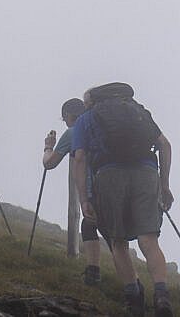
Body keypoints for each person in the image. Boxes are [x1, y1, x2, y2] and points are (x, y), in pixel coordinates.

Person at [73, 83, 173, 317]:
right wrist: (165, 184)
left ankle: (134, 301)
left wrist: (84, 199)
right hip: (146, 173)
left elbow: (80, 158)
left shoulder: (86, 119)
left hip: (108, 176)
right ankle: (161, 296)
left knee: (118, 242)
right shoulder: (137, 111)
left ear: (89, 102)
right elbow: (165, 145)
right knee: (149, 240)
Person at [43, 97, 101, 285]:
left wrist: (48, 146)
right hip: (112, 184)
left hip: (92, 190)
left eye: (64, 118)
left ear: (68, 115)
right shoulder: (99, 127)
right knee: (114, 232)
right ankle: (134, 285)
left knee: (89, 225)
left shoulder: (73, 132)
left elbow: (49, 163)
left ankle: (93, 274)